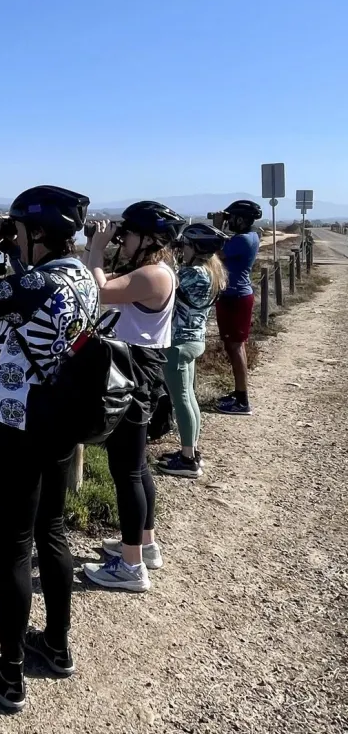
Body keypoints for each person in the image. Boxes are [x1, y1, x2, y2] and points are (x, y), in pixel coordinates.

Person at [0, 185, 98, 712]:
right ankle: (56, 645)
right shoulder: (81, 276)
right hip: (60, 424)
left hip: (19, 428)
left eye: (17, 228)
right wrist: (15, 248)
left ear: (34, 232)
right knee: (51, 533)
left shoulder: (32, 285)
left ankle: (8, 675)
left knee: (11, 548)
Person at [82, 201, 184, 592]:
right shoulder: (151, 272)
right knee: (137, 467)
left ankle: (130, 567)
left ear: (150, 240)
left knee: (126, 472)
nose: (121, 242)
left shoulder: (155, 275)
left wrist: (95, 248)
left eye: (127, 237)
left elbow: (100, 292)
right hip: (136, 375)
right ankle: (145, 545)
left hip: (133, 379)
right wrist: (99, 250)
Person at [157, 223, 228, 478]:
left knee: (182, 400)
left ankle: (187, 459)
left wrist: (166, 257)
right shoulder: (213, 272)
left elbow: (165, 283)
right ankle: (192, 450)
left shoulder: (192, 274)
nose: (181, 249)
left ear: (196, 247)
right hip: (195, 340)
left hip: (178, 344)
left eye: (185, 245)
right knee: (189, 398)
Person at [213, 199, 262, 416]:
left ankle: (242, 401)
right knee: (232, 346)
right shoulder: (247, 237)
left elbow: (215, 251)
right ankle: (238, 393)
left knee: (236, 347)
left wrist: (216, 226)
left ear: (241, 219)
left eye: (231, 217)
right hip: (232, 296)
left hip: (237, 298)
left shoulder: (243, 239)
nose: (229, 221)